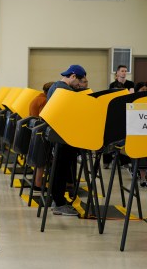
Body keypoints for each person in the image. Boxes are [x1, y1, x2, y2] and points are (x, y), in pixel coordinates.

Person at [46, 65, 87, 216]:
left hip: (58, 135)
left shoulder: (55, 87)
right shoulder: (65, 90)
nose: (79, 85)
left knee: (58, 169)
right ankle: (59, 203)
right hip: (63, 136)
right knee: (61, 170)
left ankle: (57, 200)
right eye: (80, 81)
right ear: (73, 76)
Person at [29, 81, 54, 191]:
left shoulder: (37, 98)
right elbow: (45, 119)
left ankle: (37, 181)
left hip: (33, 133)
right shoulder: (44, 101)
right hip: (40, 135)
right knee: (43, 159)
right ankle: (38, 183)